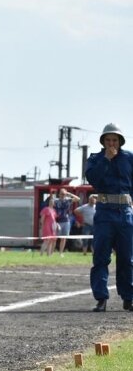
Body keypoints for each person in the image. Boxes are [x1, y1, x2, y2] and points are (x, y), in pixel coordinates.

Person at [85, 123, 133, 312]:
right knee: (101, 257)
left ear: (120, 141)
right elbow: (93, 180)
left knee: (127, 258)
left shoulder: (129, 158)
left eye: (114, 140)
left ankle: (128, 298)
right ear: (103, 142)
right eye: (108, 140)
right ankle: (101, 298)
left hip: (125, 212)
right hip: (104, 212)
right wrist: (106, 160)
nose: (111, 143)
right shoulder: (96, 159)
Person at [54, 187, 80, 256]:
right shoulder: (55, 201)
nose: (63, 195)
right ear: (59, 194)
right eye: (61, 194)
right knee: (55, 238)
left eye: (64, 194)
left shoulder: (68, 200)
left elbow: (78, 199)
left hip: (66, 221)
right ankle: (52, 252)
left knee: (64, 238)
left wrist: (69, 193)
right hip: (58, 221)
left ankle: (61, 253)